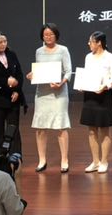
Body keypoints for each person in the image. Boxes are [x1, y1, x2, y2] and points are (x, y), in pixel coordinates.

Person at [26, 22, 72, 174]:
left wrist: (61, 83)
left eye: (51, 34)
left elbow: (68, 71)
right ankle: (42, 160)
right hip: (42, 93)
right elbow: (39, 71)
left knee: (61, 126)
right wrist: (32, 75)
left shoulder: (63, 50)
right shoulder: (39, 51)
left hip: (59, 93)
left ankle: (64, 160)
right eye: (46, 34)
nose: (48, 37)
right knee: (40, 127)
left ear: (56, 35)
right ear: (42, 36)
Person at [0, 31, 26, 165]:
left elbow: (19, 74)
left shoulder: (12, 55)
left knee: (13, 128)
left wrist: (17, 91)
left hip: (13, 98)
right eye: (0, 42)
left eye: (5, 41)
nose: (3, 44)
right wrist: (7, 81)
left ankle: (15, 154)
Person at [80, 31, 112, 174]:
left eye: (91, 41)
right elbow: (86, 75)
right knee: (91, 130)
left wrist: (105, 86)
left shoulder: (110, 57)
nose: (89, 44)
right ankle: (95, 161)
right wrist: (82, 85)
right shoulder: (88, 57)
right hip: (90, 95)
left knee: (104, 129)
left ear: (99, 43)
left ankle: (104, 161)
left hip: (104, 95)